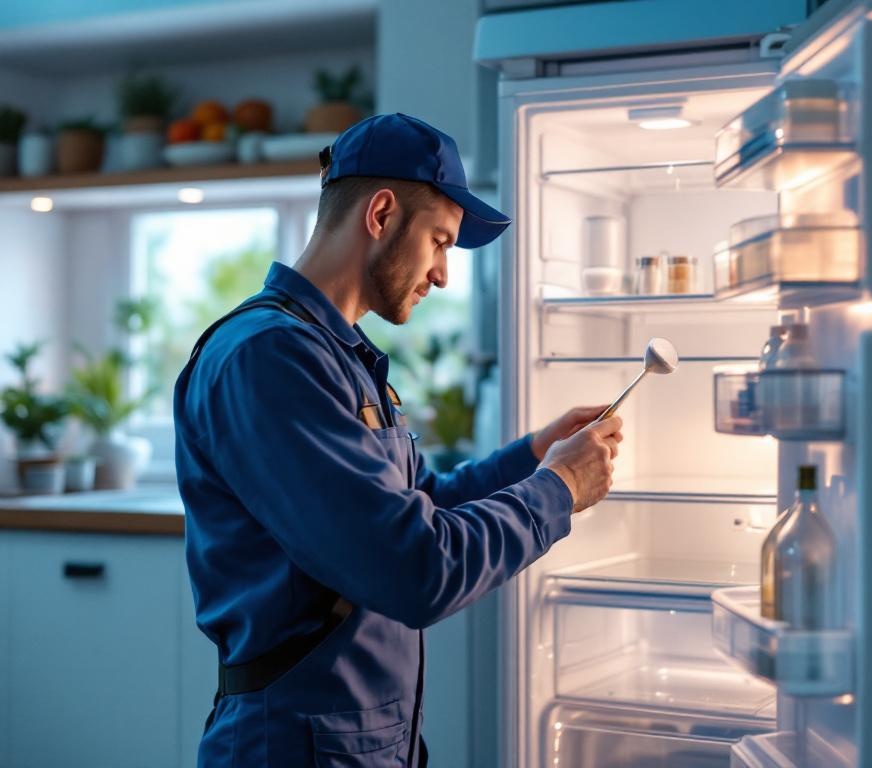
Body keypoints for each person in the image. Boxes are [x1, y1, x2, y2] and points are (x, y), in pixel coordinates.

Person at [174, 113, 623, 767]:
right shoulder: (268, 358)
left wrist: (531, 457)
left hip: (362, 740)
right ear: (381, 214)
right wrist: (557, 490)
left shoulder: (337, 354)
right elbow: (414, 569)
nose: (442, 273)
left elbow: (415, 502)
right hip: (295, 744)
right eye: (439, 240)